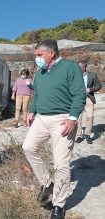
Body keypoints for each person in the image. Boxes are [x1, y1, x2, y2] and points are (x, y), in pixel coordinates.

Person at [22, 39, 86, 219]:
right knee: (28, 147)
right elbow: (37, 95)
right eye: (36, 56)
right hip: (42, 118)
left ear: (51, 53)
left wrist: (73, 118)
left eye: (39, 55)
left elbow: (79, 94)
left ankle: (58, 205)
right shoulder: (40, 73)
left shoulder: (70, 68)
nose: (37, 59)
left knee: (61, 164)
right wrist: (31, 111)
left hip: (62, 119)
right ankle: (47, 183)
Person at [76, 60, 102, 144]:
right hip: (77, 99)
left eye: (80, 67)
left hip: (88, 98)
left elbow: (99, 85)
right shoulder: (74, 75)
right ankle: (79, 135)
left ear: (84, 67)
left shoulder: (92, 75)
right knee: (78, 118)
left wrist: (90, 89)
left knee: (90, 117)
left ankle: (87, 134)